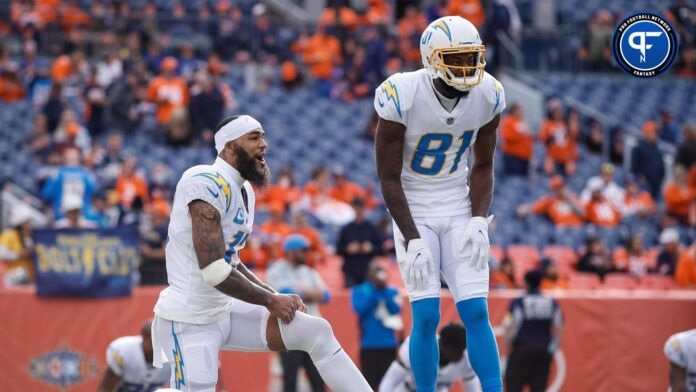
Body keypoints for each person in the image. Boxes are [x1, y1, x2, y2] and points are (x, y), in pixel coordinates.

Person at [152, 115, 370, 391]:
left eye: (263, 136)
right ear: (230, 147)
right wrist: (269, 300)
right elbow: (214, 269)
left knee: (316, 331)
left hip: (225, 308)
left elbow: (232, 260)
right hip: (190, 317)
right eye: (254, 138)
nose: (264, 145)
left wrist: (273, 295)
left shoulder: (244, 190)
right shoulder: (204, 180)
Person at [374, 16, 505, 392]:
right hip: (413, 206)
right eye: (456, 58)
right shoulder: (403, 93)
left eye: (471, 58)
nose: (467, 68)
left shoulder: (489, 94)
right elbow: (388, 177)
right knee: (427, 315)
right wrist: (412, 236)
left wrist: (479, 219)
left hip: (457, 201)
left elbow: (482, 165)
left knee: (477, 311)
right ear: (432, 58)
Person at [267, 234, 330, 392]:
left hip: (311, 333)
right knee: (290, 378)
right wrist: (310, 293)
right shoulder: (276, 270)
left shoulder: (309, 271)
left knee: (317, 378)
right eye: (302, 251)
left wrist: (301, 293)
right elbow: (285, 295)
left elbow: (326, 295)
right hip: (289, 334)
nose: (305, 254)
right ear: (291, 252)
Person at [503, 270, 563, 392]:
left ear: (526, 283)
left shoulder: (518, 302)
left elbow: (508, 326)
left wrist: (507, 351)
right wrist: (553, 349)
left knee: (513, 387)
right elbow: (560, 327)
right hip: (543, 351)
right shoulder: (551, 302)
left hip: (521, 351)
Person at [379, 323, 481, 392]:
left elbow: (473, 389)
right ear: (443, 345)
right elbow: (389, 381)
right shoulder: (416, 347)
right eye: (458, 351)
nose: (461, 355)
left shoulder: (466, 361)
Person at [351, 262, 402, 389]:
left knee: (389, 383)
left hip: (388, 343)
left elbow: (396, 310)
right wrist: (374, 290)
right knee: (368, 383)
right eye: (376, 271)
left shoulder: (392, 291)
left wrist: (384, 290)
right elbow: (360, 309)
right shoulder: (359, 290)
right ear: (369, 273)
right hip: (369, 343)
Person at [98, 320, 170, 392]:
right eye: (155, 339)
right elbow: (106, 387)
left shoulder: (172, 358)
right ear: (144, 338)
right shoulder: (124, 351)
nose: (159, 344)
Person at [337, 198, 384, 287]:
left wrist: (371, 248)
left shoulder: (372, 228)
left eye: (361, 208)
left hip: (368, 270)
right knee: (351, 297)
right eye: (356, 208)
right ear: (353, 209)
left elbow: (382, 249)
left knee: (369, 296)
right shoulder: (346, 228)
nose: (359, 211)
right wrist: (348, 249)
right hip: (350, 270)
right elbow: (338, 249)